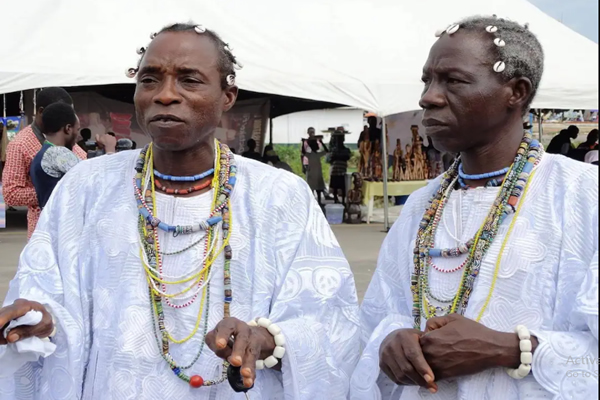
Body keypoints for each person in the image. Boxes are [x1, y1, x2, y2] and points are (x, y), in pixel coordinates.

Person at [0, 23, 359, 399]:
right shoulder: (86, 187)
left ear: (228, 96)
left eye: (189, 80)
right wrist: (39, 317)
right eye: (150, 80)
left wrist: (268, 338)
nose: (166, 95)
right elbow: (48, 292)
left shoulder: (279, 196)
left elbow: (329, 319)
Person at [351, 16, 598, 400]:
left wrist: (506, 349)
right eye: (427, 80)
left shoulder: (582, 195)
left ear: (515, 92)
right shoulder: (422, 205)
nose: (428, 97)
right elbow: (377, 319)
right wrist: (391, 342)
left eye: (453, 81)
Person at [1, 87, 87, 239]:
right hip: (43, 231)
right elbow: (11, 194)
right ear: (41, 111)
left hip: (74, 228)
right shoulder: (20, 144)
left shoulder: (65, 137)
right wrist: (50, 190)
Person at [30, 103, 117, 209]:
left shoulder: (44, 151)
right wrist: (110, 148)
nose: (77, 135)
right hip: (63, 222)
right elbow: (98, 182)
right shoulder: (57, 153)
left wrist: (100, 151)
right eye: (78, 129)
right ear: (68, 128)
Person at [328, 129, 351, 204]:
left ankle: (342, 200)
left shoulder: (344, 149)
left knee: (342, 186)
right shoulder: (335, 150)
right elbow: (331, 159)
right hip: (336, 169)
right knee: (336, 186)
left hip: (341, 170)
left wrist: (337, 156)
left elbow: (346, 157)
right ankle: (336, 199)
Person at [305, 138, 328, 206]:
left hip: (312, 173)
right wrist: (322, 142)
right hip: (316, 173)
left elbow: (327, 151)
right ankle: (318, 202)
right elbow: (326, 150)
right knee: (317, 189)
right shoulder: (315, 154)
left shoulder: (310, 154)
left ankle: (315, 202)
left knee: (315, 188)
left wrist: (305, 143)